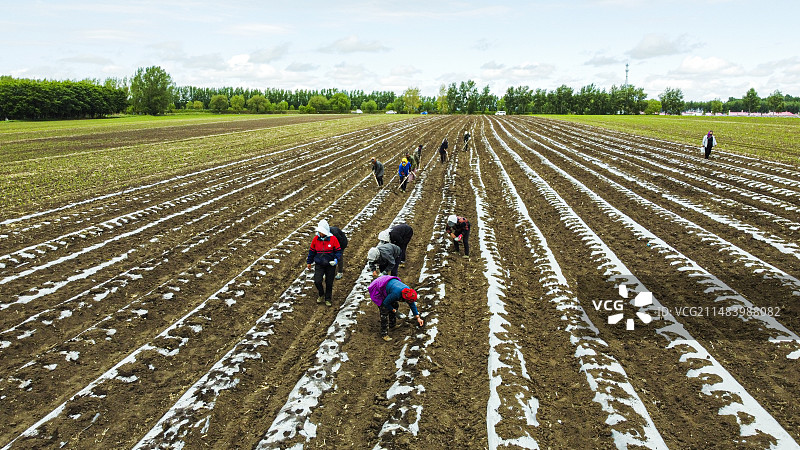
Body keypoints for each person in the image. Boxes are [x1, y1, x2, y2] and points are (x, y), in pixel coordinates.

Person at [367, 275, 424, 341]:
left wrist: (418, 318)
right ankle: (384, 334)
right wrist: (394, 311)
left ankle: (392, 324)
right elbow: (385, 303)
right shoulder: (396, 294)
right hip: (378, 286)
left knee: (395, 305)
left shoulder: (408, 292)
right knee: (384, 311)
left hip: (388, 284)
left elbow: (412, 304)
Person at [306, 219, 342, 306]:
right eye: (320, 232)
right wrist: (309, 262)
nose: (321, 233)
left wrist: (336, 260)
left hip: (330, 265)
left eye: (322, 232)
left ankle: (328, 298)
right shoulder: (315, 239)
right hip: (319, 264)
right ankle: (321, 294)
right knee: (317, 281)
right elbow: (312, 251)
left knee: (329, 282)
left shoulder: (333, 239)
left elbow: (338, 251)